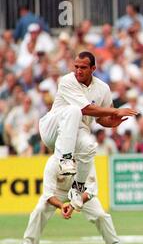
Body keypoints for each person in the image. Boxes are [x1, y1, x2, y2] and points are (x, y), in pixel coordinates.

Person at [38, 51, 137, 210]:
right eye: (76, 67)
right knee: (74, 111)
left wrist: (112, 122)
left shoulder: (103, 88)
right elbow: (86, 109)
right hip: (52, 128)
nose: (78, 71)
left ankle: (77, 189)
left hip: (76, 133)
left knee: (90, 147)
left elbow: (101, 118)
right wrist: (115, 111)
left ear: (93, 68)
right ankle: (65, 159)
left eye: (83, 67)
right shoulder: (67, 81)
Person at [16, 155, 130, 244]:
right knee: (39, 211)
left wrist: (73, 205)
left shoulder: (86, 159)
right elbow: (48, 194)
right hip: (58, 191)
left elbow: (91, 191)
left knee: (100, 215)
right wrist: (61, 206)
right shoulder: (53, 162)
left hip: (81, 192)